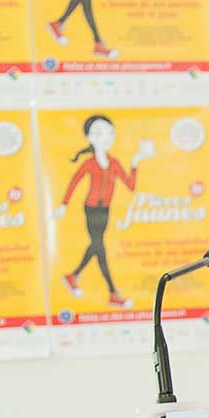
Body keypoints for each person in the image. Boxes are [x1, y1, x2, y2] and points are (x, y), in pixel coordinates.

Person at [54, 113, 151, 309]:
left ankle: (73, 277)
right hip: (91, 209)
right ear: (89, 137)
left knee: (96, 246)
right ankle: (113, 292)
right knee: (100, 248)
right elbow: (74, 182)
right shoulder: (89, 163)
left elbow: (130, 185)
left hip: (105, 210)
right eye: (98, 133)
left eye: (109, 133)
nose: (105, 137)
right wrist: (64, 205)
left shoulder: (114, 162)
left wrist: (135, 161)